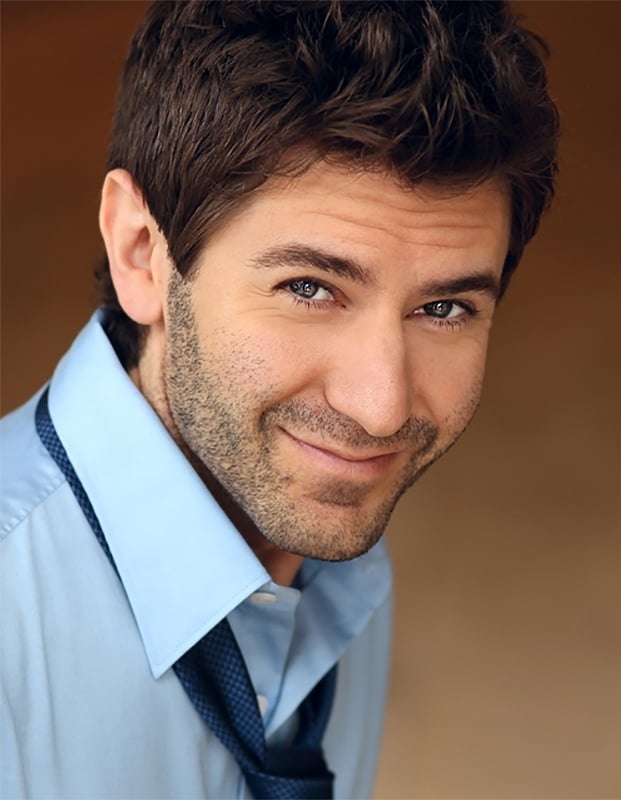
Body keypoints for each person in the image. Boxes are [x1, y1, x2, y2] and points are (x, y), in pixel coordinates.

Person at [0, 1, 558, 798]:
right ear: (140, 252)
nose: (379, 408)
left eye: (443, 309)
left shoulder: (338, 577)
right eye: (309, 288)